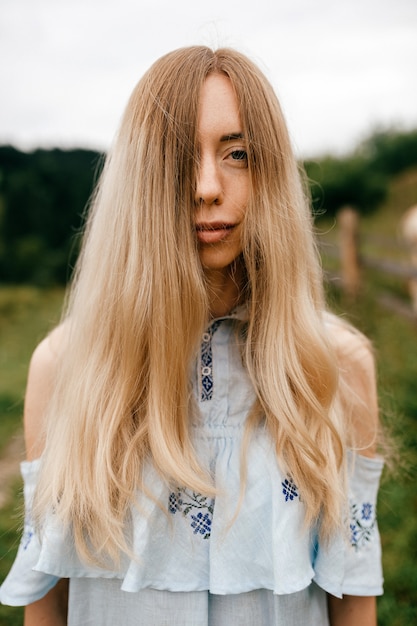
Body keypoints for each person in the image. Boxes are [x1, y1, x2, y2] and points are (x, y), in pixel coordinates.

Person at [0, 46, 384, 625]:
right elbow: (46, 608)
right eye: (179, 158)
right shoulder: (65, 367)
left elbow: (353, 601)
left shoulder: (334, 363)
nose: (206, 186)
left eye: (238, 153)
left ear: (272, 171)